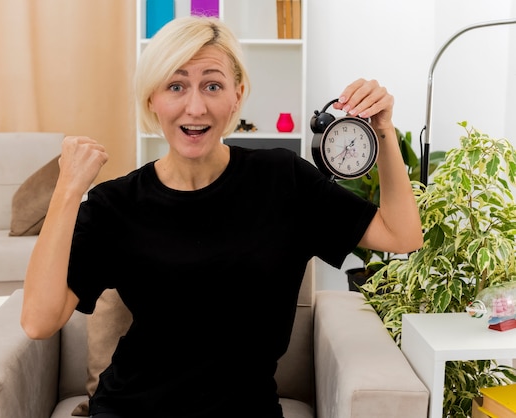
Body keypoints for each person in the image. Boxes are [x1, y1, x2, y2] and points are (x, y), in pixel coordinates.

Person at [21, 15, 423, 418]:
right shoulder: (116, 204)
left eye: (212, 85)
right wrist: (68, 190)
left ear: (237, 95)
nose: (195, 107)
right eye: (175, 86)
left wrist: (382, 129)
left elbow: (401, 235)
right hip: (130, 408)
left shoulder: (284, 181)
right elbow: (39, 321)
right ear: (151, 100)